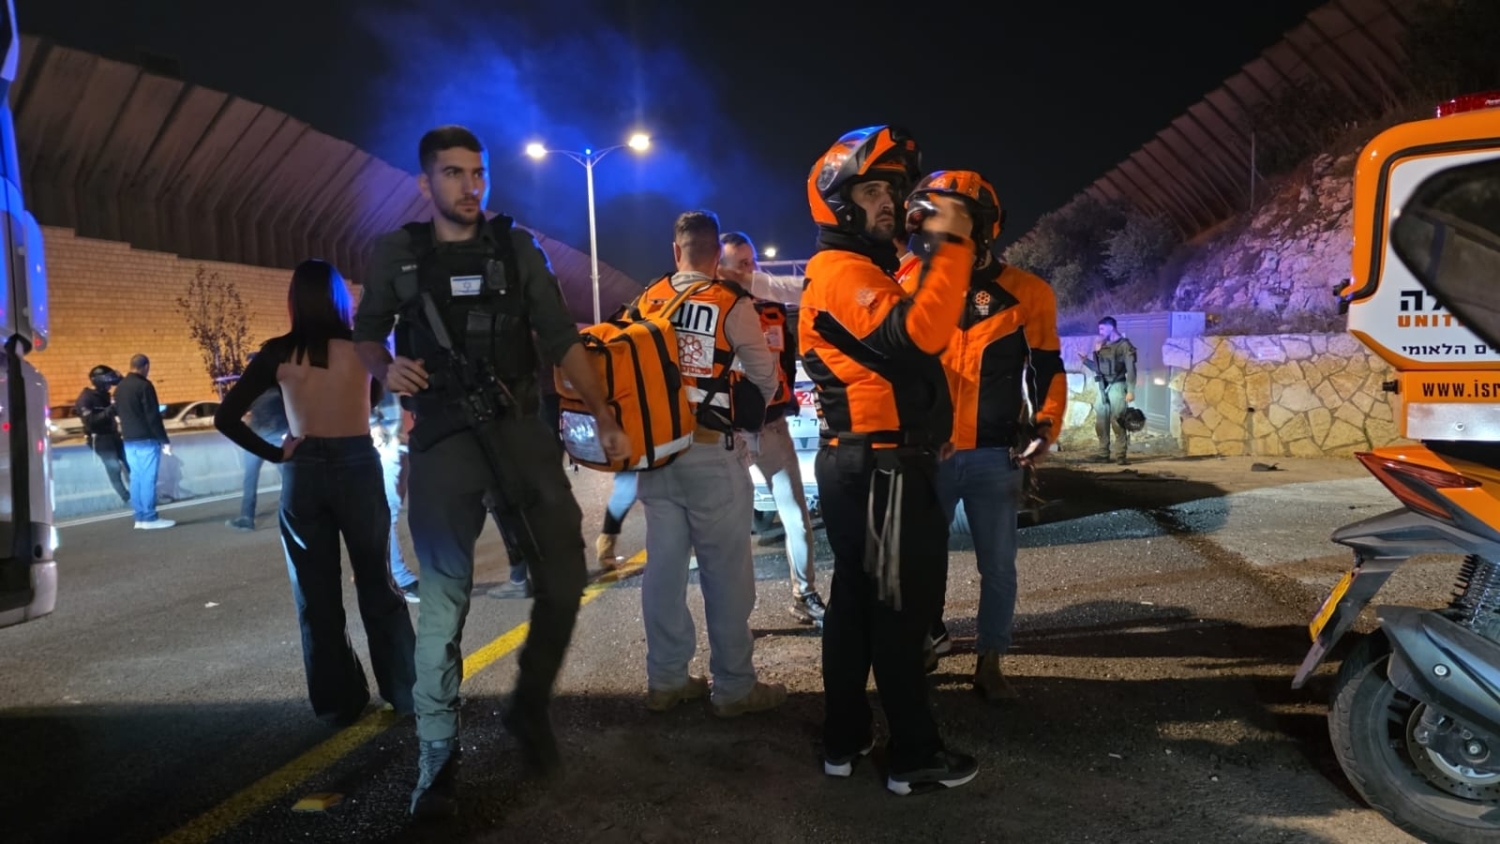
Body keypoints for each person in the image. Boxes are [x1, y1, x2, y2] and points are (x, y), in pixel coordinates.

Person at [352, 125, 627, 818]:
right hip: (443, 439)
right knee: (444, 602)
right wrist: (386, 366)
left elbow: (560, 335)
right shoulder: (399, 254)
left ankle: (528, 704)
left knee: (565, 577)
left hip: (517, 430)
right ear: (426, 183)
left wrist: (603, 412)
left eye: (478, 173)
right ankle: (436, 759)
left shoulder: (517, 248)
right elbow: (367, 332)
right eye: (453, 173)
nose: (469, 185)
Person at [799, 125, 978, 794]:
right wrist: (952, 242)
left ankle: (844, 738)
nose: (889, 202)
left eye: (893, 191)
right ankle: (913, 756)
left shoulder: (860, 270)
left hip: (869, 464)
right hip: (881, 470)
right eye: (871, 190)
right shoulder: (842, 272)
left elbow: (904, 358)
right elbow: (920, 334)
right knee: (899, 614)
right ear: (837, 200)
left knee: (856, 606)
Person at [213, 259, 417, 726]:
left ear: (294, 301)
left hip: (303, 473)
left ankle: (337, 702)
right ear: (339, 299)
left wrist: (276, 453)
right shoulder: (364, 349)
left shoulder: (278, 353)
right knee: (378, 582)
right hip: (357, 464)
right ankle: (405, 691)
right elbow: (378, 398)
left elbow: (226, 418)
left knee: (315, 593)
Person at [896, 171, 1066, 701]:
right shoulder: (910, 286)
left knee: (998, 567)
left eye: (955, 219)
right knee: (921, 560)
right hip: (930, 453)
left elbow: (1047, 368)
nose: (941, 231)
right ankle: (924, 640)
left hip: (996, 453)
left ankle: (991, 659)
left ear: (985, 227)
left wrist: (1046, 425)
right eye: (934, 220)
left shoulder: (1028, 292)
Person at [634, 210, 785, 717]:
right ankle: (734, 687)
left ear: (675, 250)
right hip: (710, 454)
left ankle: (666, 680)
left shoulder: (648, 299)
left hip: (657, 455)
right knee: (726, 575)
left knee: (663, 573)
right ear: (717, 255)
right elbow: (766, 378)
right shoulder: (729, 303)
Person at [719, 230, 824, 627]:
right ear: (719, 267)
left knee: (795, 515)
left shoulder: (771, 307)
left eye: (752, 262)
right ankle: (734, 616)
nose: (750, 270)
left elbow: (789, 357)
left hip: (773, 425)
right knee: (732, 527)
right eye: (741, 264)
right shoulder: (714, 309)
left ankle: (805, 595)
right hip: (731, 432)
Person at [227, 354, 291, 532]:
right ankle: (248, 517)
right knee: (281, 478)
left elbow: (231, 412)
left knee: (259, 478)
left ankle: (249, 517)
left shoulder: (268, 387)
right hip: (265, 436)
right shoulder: (275, 386)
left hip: (265, 437)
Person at [114, 354, 174, 530]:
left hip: (128, 440)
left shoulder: (120, 388)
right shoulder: (144, 386)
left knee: (136, 478)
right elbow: (152, 416)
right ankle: (150, 518)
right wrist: (164, 440)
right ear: (146, 366)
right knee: (148, 478)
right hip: (146, 439)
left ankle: (139, 517)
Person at [1081, 316, 1138, 465]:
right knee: (1101, 422)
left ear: (1111, 327)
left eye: (1102, 328)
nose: (1100, 332)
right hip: (1103, 387)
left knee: (1117, 420)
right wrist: (1086, 361)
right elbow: (1099, 369)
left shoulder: (1124, 345)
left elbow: (1131, 370)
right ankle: (1103, 454)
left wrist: (1131, 390)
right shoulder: (1103, 345)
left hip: (1117, 386)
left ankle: (1120, 456)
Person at [75, 365, 130, 505]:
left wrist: (121, 381)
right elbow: (90, 421)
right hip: (99, 438)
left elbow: (122, 386)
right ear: (99, 382)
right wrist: (111, 409)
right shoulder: (85, 398)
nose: (109, 386)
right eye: (108, 382)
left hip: (113, 435)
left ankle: (138, 492)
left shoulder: (104, 395)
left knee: (129, 463)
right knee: (114, 467)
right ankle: (126, 497)